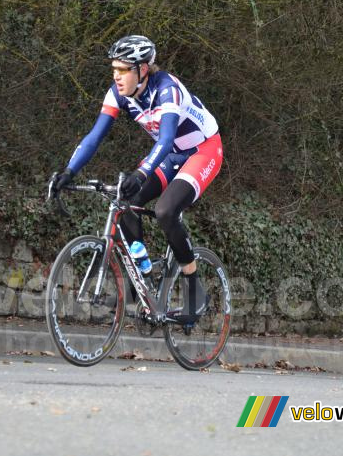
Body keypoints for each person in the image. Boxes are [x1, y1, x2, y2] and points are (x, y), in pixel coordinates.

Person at [52, 35, 223, 321]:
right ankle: (138, 281)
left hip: (203, 150)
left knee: (166, 211)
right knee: (127, 199)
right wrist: (69, 171)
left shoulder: (167, 90)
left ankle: (195, 291)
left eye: (123, 70)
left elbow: (167, 138)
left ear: (143, 69)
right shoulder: (118, 94)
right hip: (171, 154)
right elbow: (94, 137)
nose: (116, 76)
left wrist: (142, 172)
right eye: (114, 70)